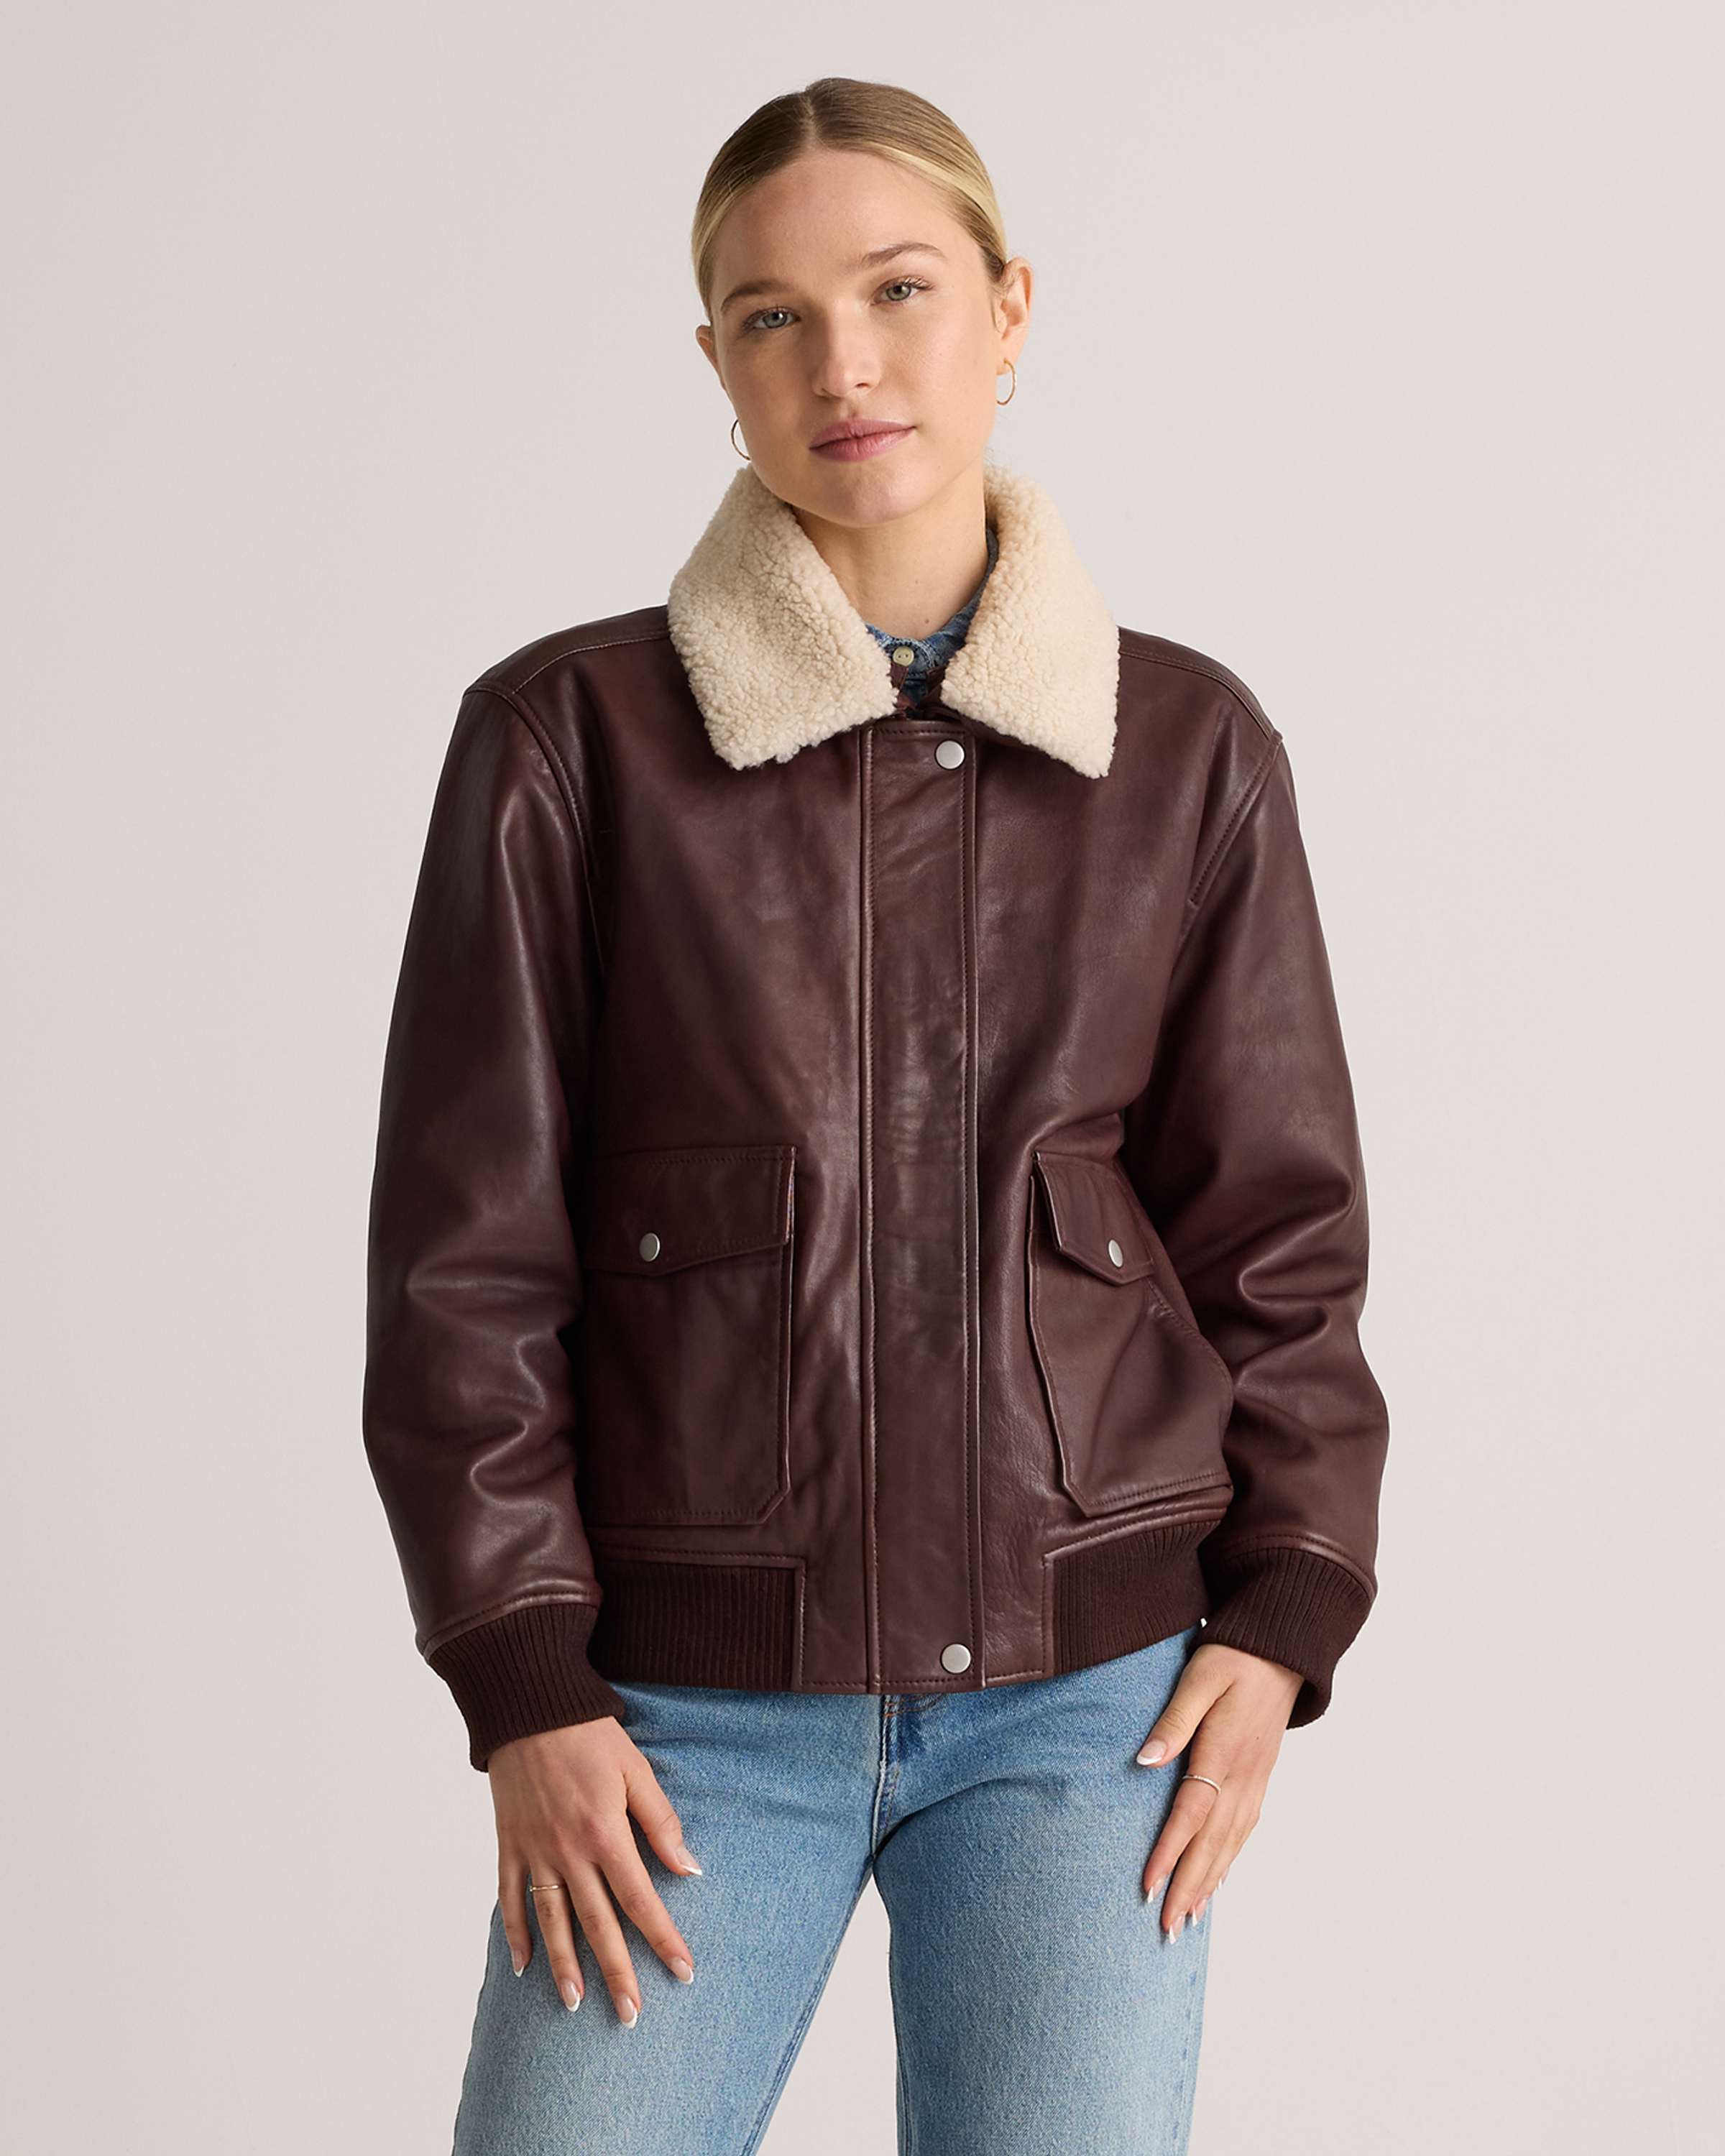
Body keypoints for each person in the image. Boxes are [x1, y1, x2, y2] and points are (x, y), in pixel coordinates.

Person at [364, 76, 1389, 2156]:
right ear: (716, 361)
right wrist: (524, 1681)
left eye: (899, 290)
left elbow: (1276, 1231)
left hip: (1092, 1711)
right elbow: (463, 1265)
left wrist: (1288, 1603)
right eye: (774, 315)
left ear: (1009, 310)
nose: (843, 362)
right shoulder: (567, 742)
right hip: (677, 1716)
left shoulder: (1185, 749)